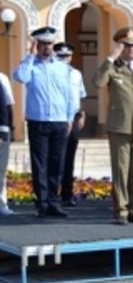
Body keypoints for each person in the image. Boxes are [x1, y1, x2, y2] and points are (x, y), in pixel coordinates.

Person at [93, 28, 133, 225]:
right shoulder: (113, 68)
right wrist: (110, 58)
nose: (131, 49)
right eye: (127, 46)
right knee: (121, 170)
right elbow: (98, 82)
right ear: (120, 47)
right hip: (119, 127)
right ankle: (121, 210)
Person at [13, 26, 76, 218]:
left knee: (57, 163)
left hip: (59, 120)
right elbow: (20, 77)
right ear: (37, 45)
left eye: (49, 44)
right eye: (43, 44)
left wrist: (70, 118)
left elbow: (69, 95)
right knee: (40, 164)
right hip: (38, 120)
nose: (47, 47)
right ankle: (42, 203)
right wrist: (30, 55)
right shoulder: (30, 65)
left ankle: (54, 202)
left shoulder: (62, 68)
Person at [54, 42, 87, 208]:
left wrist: (82, 113)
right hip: (57, 117)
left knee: (69, 157)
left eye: (67, 56)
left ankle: (67, 194)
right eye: (60, 56)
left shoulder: (76, 74)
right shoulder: (53, 73)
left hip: (73, 117)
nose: (64, 59)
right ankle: (53, 195)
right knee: (56, 158)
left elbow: (80, 95)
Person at [0, 69, 14, 216]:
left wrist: (5, 131)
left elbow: (6, 106)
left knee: (0, 170)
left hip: (1, 131)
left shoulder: (1, 79)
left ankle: (1, 204)